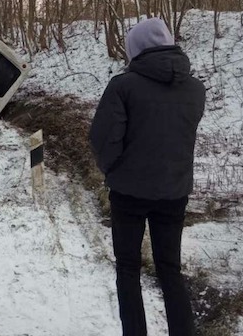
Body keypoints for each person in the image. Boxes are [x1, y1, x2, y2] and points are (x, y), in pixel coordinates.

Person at [89, 17, 205, 336]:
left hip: (128, 194)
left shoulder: (123, 86)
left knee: (128, 269)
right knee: (170, 270)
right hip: (174, 192)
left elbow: (103, 138)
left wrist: (111, 170)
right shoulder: (195, 89)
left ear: (136, 49)